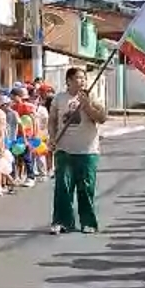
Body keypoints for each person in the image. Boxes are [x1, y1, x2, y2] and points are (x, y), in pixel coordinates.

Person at [48, 67, 107, 235]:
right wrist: (52, 138)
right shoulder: (59, 98)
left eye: (84, 78)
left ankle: (88, 223)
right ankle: (62, 222)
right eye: (78, 78)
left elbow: (102, 118)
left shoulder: (92, 97)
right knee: (63, 188)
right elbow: (52, 121)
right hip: (64, 149)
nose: (82, 81)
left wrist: (87, 105)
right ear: (68, 81)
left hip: (87, 151)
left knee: (86, 188)